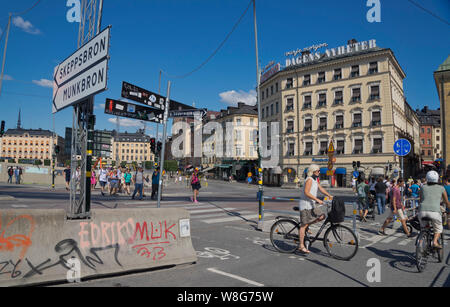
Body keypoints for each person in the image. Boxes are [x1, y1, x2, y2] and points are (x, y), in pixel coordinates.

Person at [298, 164, 333, 254]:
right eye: (318, 170)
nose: (319, 172)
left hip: (312, 204)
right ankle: (301, 246)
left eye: (319, 170)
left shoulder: (315, 179)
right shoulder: (309, 179)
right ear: (313, 171)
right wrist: (318, 200)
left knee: (322, 216)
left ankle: (307, 226)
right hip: (305, 205)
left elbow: (320, 188)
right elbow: (306, 192)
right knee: (303, 225)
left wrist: (329, 195)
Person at [417, 171, 450, 249]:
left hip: (422, 211)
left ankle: (420, 243)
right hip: (435, 212)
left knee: (423, 228)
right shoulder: (441, 188)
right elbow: (446, 202)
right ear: (437, 179)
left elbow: (421, 199)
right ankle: (435, 241)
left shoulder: (423, 187)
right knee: (438, 228)